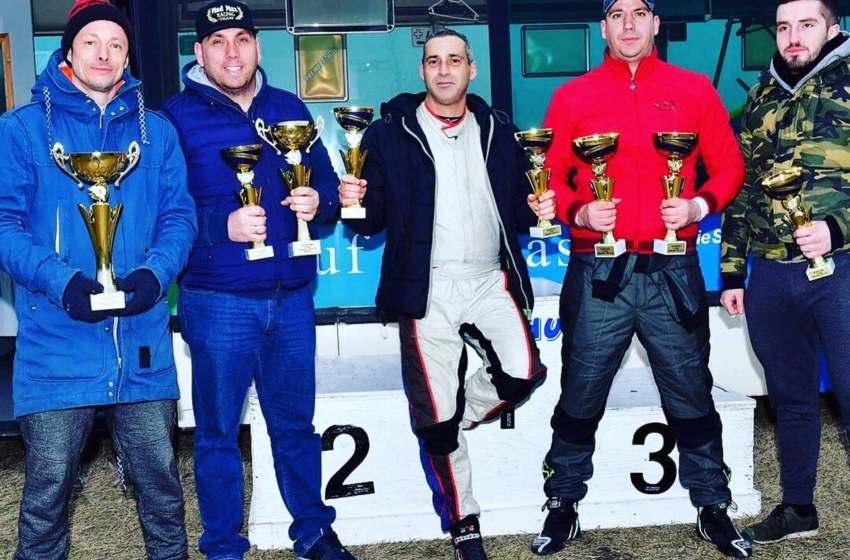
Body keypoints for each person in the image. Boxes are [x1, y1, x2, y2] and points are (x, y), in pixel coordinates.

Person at [528, 0, 751, 558]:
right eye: (617, 14)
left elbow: (730, 167)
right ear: (602, 26)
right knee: (580, 393)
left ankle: (712, 506)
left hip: (671, 269)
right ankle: (562, 503)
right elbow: (548, 175)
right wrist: (579, 211)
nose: (628, 24)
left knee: (691, 391)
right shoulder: (572, 96)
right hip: (598, 270)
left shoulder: (694, 89)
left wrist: (698, 206)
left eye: (639, 12)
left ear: (655, 23)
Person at [338, 28, 547, 560]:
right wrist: (352, 199)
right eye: (434, 61)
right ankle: (463, 523)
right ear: (422, 71)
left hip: (489, 278)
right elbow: (369, 223)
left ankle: (455, 417)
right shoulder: (389, 134)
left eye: (455, 60)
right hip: (425, 287)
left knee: (524, 372)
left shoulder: (499, 129)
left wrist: (537, 208)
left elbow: (517, 210)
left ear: (471, 69)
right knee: (436, 419)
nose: (444, 69)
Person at [0, 1, 197, 559]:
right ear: (69, 50)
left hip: (141, 343)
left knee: (162, 488)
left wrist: (154, 275)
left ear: (128, 56)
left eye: (116, 44)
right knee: (47, 493)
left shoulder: (156, 132)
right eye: (91, 41)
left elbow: (180, 218)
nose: (104, 54)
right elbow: (4, 224)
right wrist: (62, 282)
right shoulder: (20, 129)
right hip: (56, 342)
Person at [161, 2, 357, 559]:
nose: (231, 52)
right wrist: (218, 227)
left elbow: (324, 181)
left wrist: (320, 201)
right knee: (218, 434)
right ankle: (223, 545)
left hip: (292, 297)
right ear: (199, 52)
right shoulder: (173, 117)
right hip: (218, 300)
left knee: (295, 427)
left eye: (241, 39)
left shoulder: (288, 107)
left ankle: (313, 532)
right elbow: (158, 212)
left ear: (257, 47)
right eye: (217, 41)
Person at [720, 0, 850, 547]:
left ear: (833, 28)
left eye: (806, 24)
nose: (793, 36)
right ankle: (798, 508)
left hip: (841, 269)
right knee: (790, 399)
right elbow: (741, 188)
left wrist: (838, 229)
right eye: (783, 27)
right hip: (772, 274)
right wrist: (732, 272)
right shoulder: (760, 97)